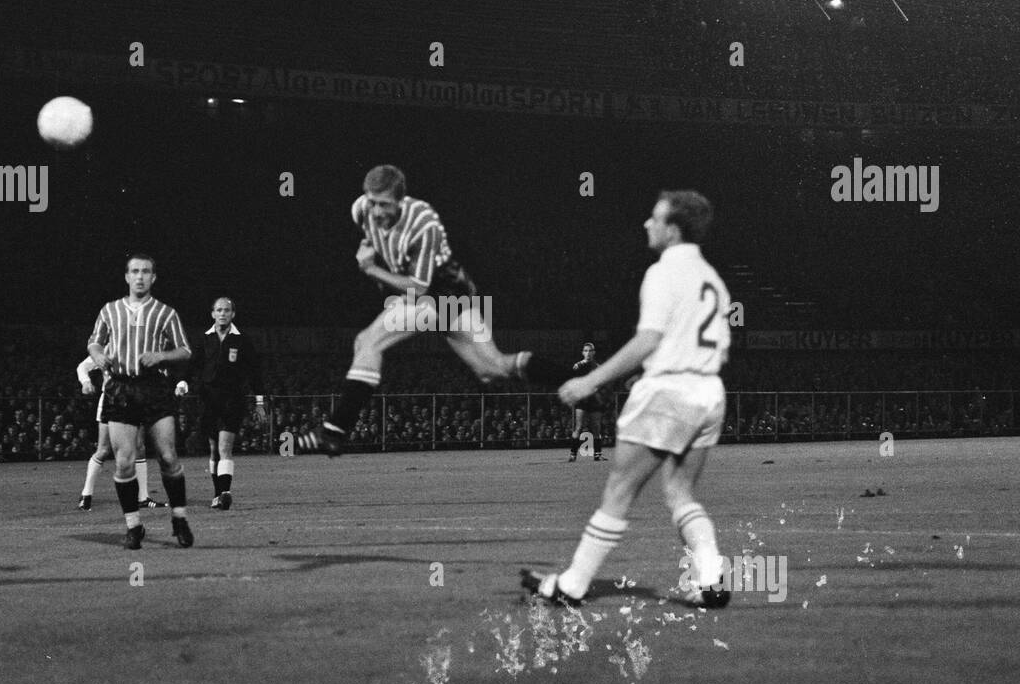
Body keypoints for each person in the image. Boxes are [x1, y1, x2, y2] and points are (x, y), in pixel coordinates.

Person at [522, 190, 733, 608]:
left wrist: (591, 381)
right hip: (709, 393)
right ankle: (711, 580)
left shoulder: (663, 272)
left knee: (619, 491)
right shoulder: (714, 280)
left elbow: (648, 338)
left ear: (672, 229)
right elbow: (718, 350)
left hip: (670, 393)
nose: (646, 224)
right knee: (680, 492)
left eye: (654, 218)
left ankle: (572, 585)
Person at [297, 164, 569, 454]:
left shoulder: (424, 224)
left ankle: (334, 431)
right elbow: (376, 239)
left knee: (368, 341)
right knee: (493, 368)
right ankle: (580, 382)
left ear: (401, 200)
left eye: (384, 205)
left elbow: (418, 288)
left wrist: (371, 269)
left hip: (443, 294)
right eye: (372, 202)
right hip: (445, 296)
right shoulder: (361, 210)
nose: (376, 212)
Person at [87, 254, 193, 550]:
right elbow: (94, 341)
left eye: (146, 271)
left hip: (154, 387)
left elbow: (185, 350)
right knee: (123, 461)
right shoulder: (110, 310)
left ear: (154, 278)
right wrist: (97, 355)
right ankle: (134, 526)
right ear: (126, 276)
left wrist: (161, 355)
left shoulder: (165, 313)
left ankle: (179, 518)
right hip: (121, 388)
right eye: (135, 271)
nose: (140, 276)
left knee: (169, 456)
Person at [174, 296, 267, 510]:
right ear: (213, 314)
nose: (222, 313)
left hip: (233, 399)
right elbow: (192, 365)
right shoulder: (204, 339)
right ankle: (217, 494)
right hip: (208, 400)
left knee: (225, 446)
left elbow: (255, 373)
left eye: (226, 310)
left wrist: (260, 403)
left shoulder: (242, 340)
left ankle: (225, 492)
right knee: (214, 448)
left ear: (233, 314)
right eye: (219, 310)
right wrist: (182, 381)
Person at [75, 356, 164, 511]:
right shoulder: (108, 348)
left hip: (136, 398)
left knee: (139, 447)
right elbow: (82, 366)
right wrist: (86, 382)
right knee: (103, 450)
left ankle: (142, 498)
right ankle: (86, 495)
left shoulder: (139, 345)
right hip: (111, 399)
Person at [567, 342, 606, 462]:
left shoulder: (598, 367)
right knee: (578, 427)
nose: (588, 353)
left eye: (590, 351)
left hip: (594, 400)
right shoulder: (577, 366)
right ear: (582, 352)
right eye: (586, 350)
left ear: (594, 352)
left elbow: (601, 383)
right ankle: (573, 455)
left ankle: (597, 454)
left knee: (596, 427)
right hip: (582, 400)